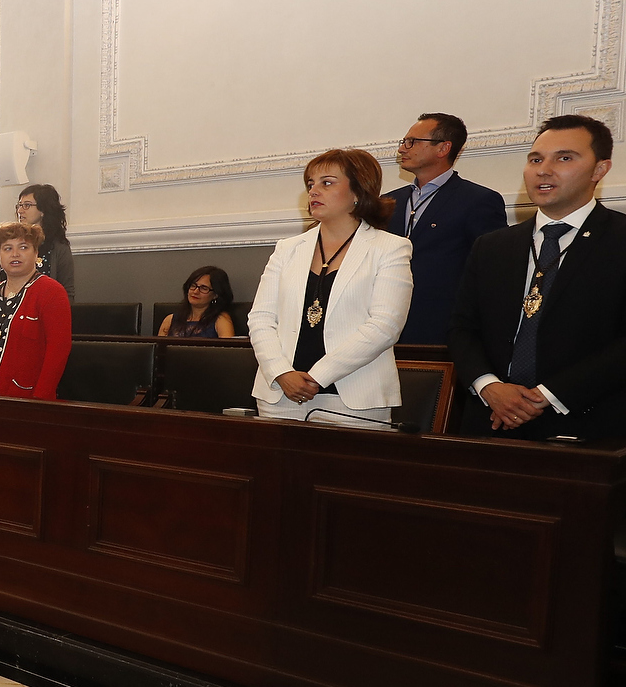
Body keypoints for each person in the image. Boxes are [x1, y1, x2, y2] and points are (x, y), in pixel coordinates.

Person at [452, 116, 626, 441]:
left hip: (585, 425)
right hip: (490, 420)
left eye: (564, 158)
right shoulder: (492, 245)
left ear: (600, 170)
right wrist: (488, 386)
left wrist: (545, 395)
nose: (543, 170)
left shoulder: (619, 240)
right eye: (535, 159)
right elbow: (462, 329)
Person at [247, 149, 413, 427]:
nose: (313, 191)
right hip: (281, 396)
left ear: (359, 191)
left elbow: (384, 326)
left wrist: (317, 376)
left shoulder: (390, 248)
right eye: (310, 184)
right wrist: (281, 372)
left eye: (327, 183)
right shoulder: (287, 249)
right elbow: (260, 318)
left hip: (355, 399)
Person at [385, 112, 509, 345]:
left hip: (443, 333)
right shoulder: (388, 202)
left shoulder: (478, 200)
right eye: (404, 142)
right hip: (386, 331)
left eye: (412, 142)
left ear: (443, 148)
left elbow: (492, 272)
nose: (402, 149)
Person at [0, 223, 72, 398]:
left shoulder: (52, 292)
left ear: (36, 253)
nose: (15, 254)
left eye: (23, 247)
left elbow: (58, 352)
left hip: (24, 400)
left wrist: (41, 400)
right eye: (7, 248)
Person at [12, 184, 76, 300]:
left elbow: (67, 292)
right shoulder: (10, 241)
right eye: (19, 205)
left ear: (43, 210)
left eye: (27, 205)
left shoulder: (59, 247)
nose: (20, 211)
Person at [156, 266, 237, 338]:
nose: (195, 291)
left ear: (216, 295)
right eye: (193, 286)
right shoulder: (170, 320)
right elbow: (159, 351)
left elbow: (227, 352)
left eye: (204, 288)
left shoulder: (221, 319)